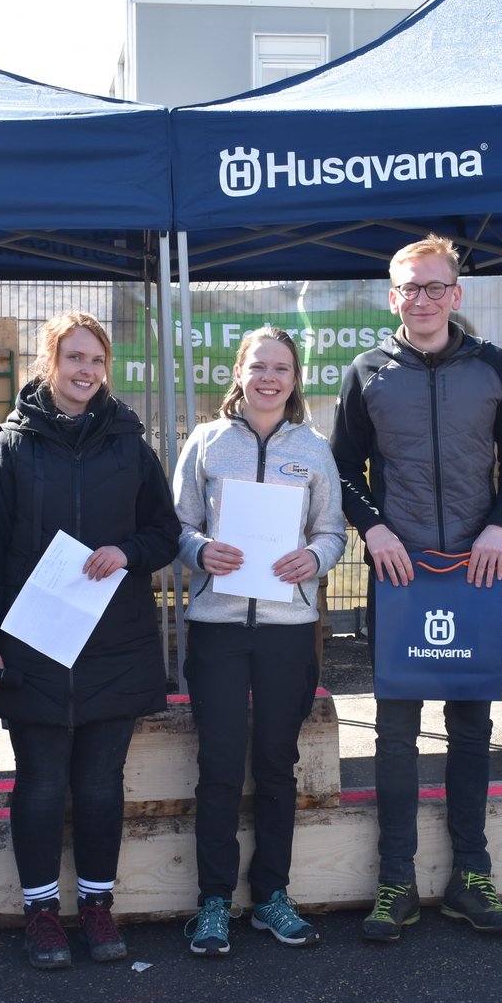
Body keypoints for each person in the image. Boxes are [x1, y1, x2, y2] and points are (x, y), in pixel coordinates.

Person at [330, 234, 502, 941]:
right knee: (395, 734)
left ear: (456, 293)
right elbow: (341, 470)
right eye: (410, 288)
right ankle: (396, 880)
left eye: (435, 286)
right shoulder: (366, 372)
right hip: (400, 575)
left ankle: (470, 876)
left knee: (471, 728)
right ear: (393, 297)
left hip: (473, 572)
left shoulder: (491, 365)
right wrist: (374, 529)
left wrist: (499, 528)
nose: (422, 299)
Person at [0, 311, 178, 971]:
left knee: (101, 782)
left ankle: (95, 906)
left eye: (96, 360)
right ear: (49, 363)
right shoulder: (11, 446)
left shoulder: (130, 444)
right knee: (41, 782)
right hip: (33, 645)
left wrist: (127, 551)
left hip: (115, 643)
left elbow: (165, 533)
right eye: (74, 357)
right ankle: (40, 913)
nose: (86, 370)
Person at [173, 326, 347, 957]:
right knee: (219, 765)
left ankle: (272, 893)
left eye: (282, 369)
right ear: (239, 373)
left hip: (288, 632)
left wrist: (314, 558)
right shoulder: (205, 442)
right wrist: (199, 550)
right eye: (259, 367)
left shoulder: (314, 449)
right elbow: (176, 524)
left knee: (277, 764)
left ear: (295, 379)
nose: (269, 378)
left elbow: (332, 531)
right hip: (217, 628)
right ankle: (214, 901)